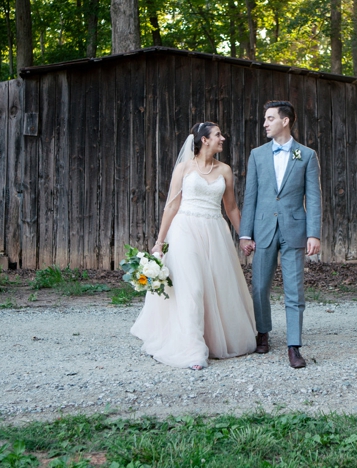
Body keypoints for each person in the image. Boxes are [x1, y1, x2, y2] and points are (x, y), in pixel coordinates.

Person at [130, 122, 257, 370]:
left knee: (216, 287)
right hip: (185, 230)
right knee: (193, 288)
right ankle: (192, 350)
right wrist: (159, 242)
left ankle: (211, 339)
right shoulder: (184, 168)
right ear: (204, 140)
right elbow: (171, 206)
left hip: (214, 231)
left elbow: (231, 208)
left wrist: (244, 237)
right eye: (218, 134)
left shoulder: (225, 170)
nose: (223, 138)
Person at [239, 101, 322, 369]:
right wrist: (244, 234)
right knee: (260, 287)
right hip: (262, 229)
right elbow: (250, 197)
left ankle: (294, 346)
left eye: (270, 118)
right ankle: (263, 332)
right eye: (265, 118)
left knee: (294, 289)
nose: (265, 123)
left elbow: (314, 197)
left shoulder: (306, 155)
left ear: (285, 121)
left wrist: (314, 233)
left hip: (294, 229)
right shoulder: (257, 154)